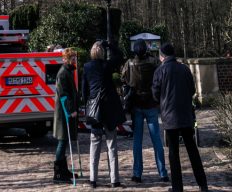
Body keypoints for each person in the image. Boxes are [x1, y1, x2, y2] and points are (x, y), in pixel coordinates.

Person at [152, 42, 208, 192]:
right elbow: (192, 89)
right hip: (185, 115)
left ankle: (178, 188)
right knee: (192, 150)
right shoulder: (184, 69)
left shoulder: (160, 71)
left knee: (173, 154)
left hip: (170, 117)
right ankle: (203, 184)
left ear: (162, 56)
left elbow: (155, 94)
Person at [121, 38, 168, 184]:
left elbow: (124, 81)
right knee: (156, 140)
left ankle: (137, 173)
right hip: (151, 104)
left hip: (136, 105)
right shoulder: (154, 63)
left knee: (137, 141)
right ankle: (162, 173)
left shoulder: (129, 64)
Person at [82, 39, 126, 189]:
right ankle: (115, 179)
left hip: (95, 111)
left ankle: (93, 179)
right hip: (109, 111)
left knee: (94, 146)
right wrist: (109, 44)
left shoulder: (87, 67)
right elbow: (120, 55)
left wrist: (88, 102)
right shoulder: (107, 65)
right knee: (111, 145)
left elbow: (84, 91)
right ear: (102, 52)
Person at [53, 46, 79, 183]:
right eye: (72, 57)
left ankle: (64, 170)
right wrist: (71, 110)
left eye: (74, 57)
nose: (74, 59)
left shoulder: (68, 71)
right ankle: (58, 173)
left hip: (66, 111)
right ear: (66, 59)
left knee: (64, 141)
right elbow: (64, 95)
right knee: (62, 141)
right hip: (63, 112)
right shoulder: (63, 73)